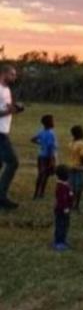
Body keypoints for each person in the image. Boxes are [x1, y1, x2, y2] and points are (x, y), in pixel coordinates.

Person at [0, 64, 22, 210]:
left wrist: (15, 107)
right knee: (13, 162)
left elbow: (6, 107)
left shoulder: (7, 90)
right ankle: (1, 197)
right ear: (4, 74)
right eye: (12, 74)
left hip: (4, 131)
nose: (15, 77)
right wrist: (12, 111)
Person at [32, 113, 58, 200]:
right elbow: (51, 148)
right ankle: (41, 193)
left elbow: (33, 139)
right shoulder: (51, 134)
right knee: (45, 175)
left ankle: (36, 193)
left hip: (41, 156)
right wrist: (52, 160)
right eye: (53, 121)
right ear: (49, 123)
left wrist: (41, 143)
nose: (54, 122)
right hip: (48, 157)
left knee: (40, 175)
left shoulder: (41, 131)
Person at [68, 125, 83, 212]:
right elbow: (82, 156)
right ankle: (76, 205)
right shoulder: (82, 144)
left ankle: (70, 203)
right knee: (79, 187)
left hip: (71, 166)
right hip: (79, 167)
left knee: (72, 186)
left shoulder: (71, 143)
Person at [53, 165, 73, 251]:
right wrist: (66, 208)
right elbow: (62, 199)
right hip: (61, 210)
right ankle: (58, 242)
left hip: (65, 209)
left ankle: (62, 240)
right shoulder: (61, 187)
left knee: (65, 225)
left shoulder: (65, 185)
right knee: (60, 225)